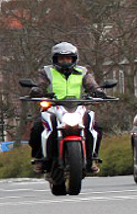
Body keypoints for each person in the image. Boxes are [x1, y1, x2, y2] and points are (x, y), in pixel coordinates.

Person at [28, 42, 109, 173]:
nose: (65, 61)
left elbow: (91, 84)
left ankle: (92, 157)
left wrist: (98, 91)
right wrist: (36, 90)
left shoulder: (83, 72)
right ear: (55, 59)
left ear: (74, 59)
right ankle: (39, 159)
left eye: (68, 58)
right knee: (37, 127)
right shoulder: (46, 71)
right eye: (61, 58)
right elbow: (41, 84)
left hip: (78, 107)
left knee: (96, 127)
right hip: (53, 107)